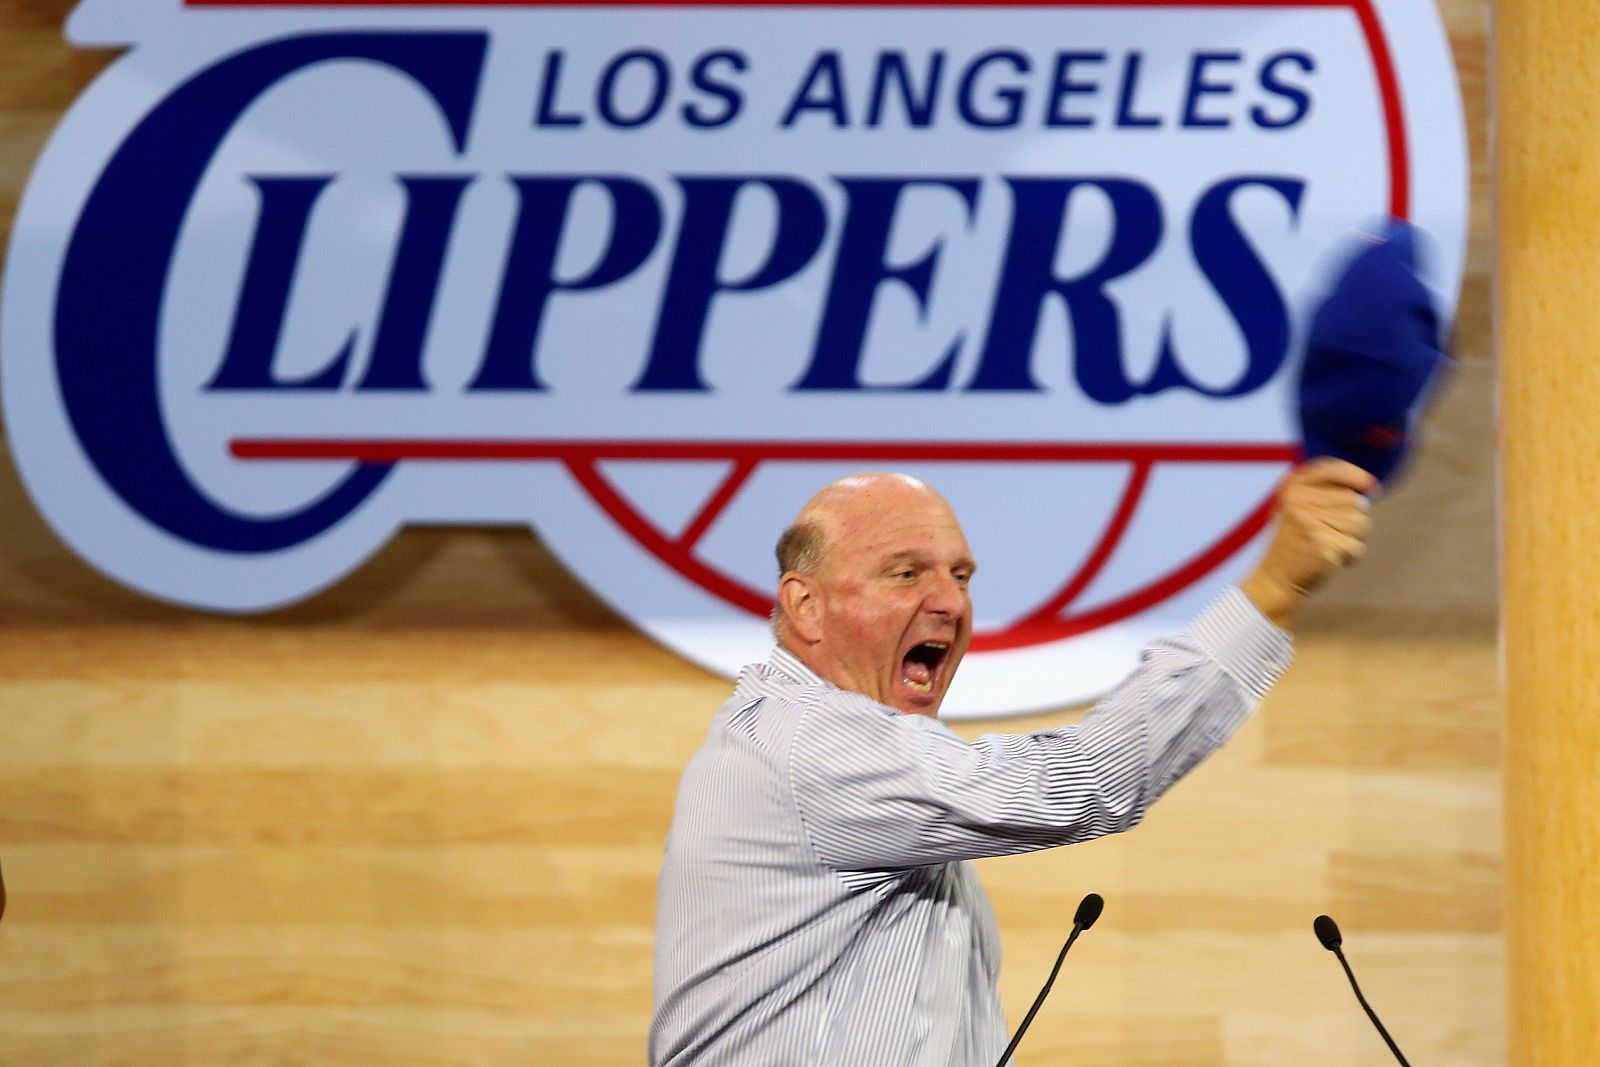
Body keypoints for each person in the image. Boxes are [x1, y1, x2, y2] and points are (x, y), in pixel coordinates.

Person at [649, 460, 1375, 1066]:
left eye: (961, 575)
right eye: (905, 574)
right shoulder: (811, 744)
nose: (950, 601)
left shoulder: (824, 746)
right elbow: (1090, 778)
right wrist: (1274, 588)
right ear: (805, 606)